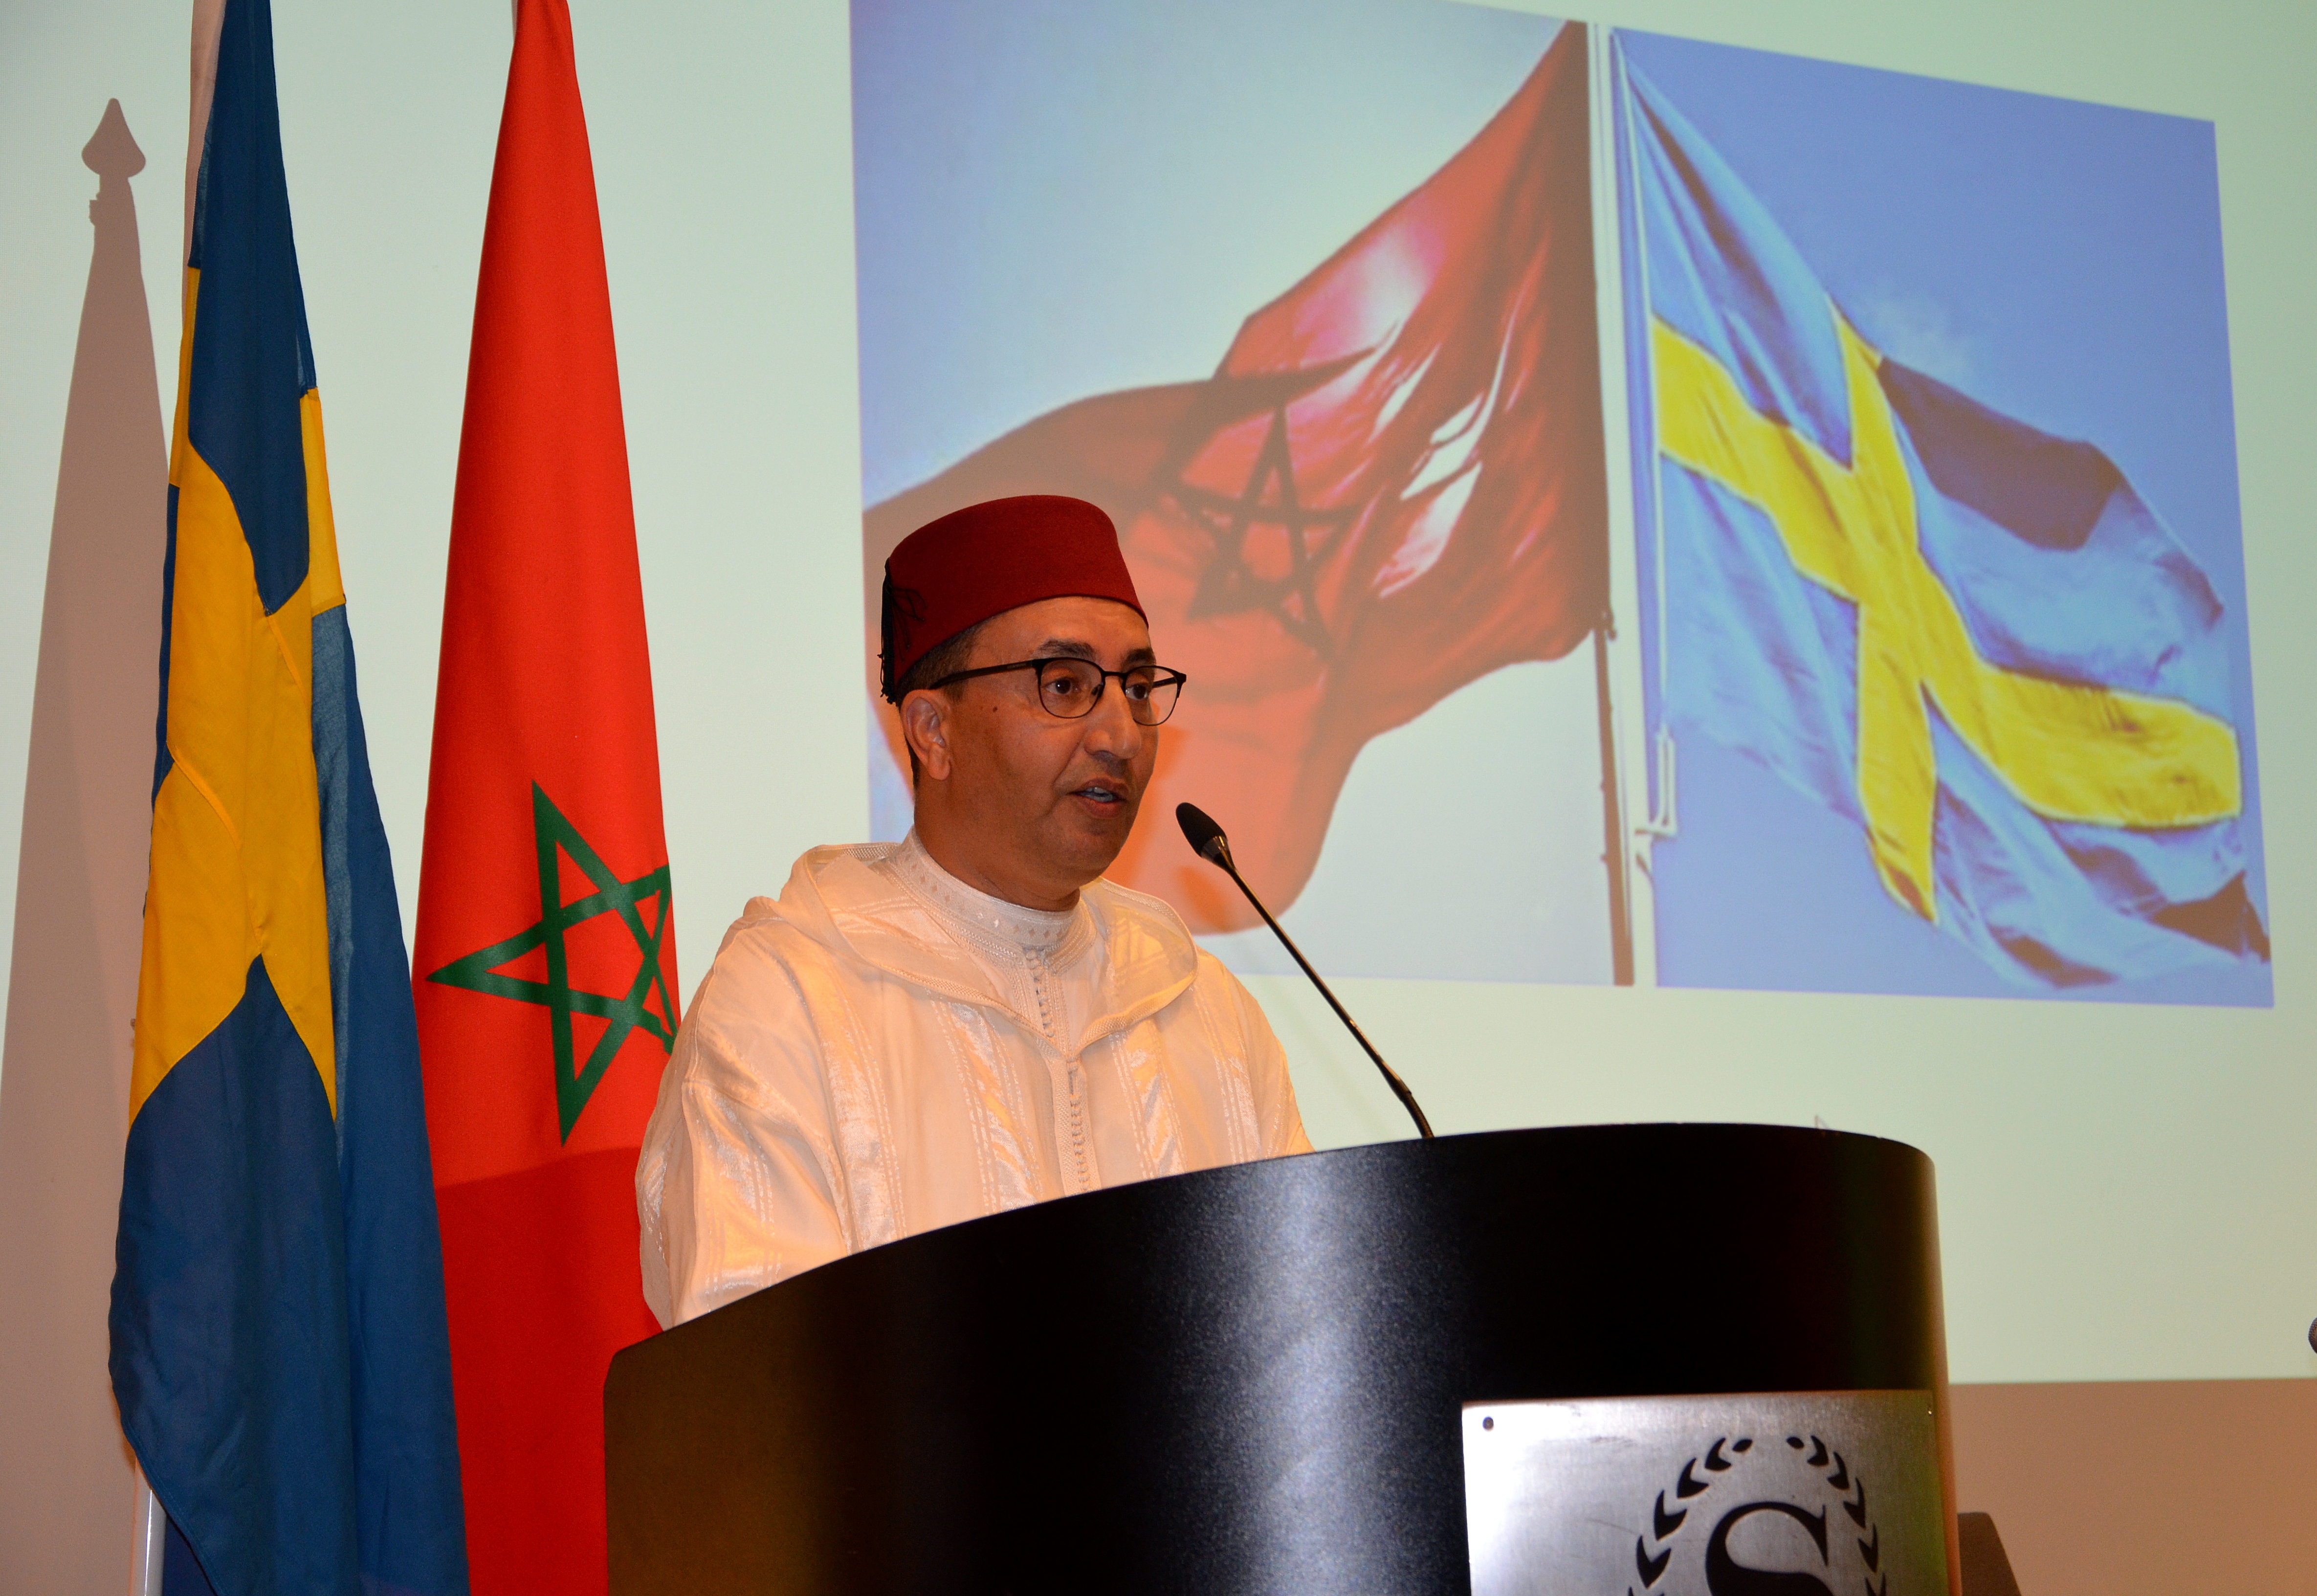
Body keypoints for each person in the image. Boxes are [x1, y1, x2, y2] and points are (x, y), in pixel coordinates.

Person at [637, 494, 1312, 1327]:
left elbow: (1301, 1323)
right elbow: (755, 1368)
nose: (1123, 736)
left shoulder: (1205, 1011)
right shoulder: (791, 1001)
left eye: (1138, 688)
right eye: (1065, 686)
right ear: (933, 731)